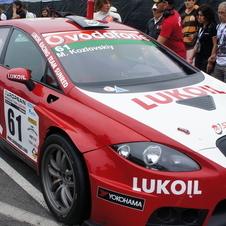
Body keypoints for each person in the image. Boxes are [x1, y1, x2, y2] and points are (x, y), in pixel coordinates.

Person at [189, 4, 217, 74]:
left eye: (201, 15)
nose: (199, 17)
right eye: (198, 15)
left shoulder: (212, 27)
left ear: (207, 16)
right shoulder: (201, 27)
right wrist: (191, 58)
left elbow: (215, 45)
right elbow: (197, 43)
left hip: (206, 59)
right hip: (198, 57)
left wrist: (210, 62)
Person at [208, 2, 226, 81]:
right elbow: (216, 44)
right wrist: (214, 55)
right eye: (218, 12)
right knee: (218, 86)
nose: (220, 15)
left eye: (222, 13)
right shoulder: (219, 26)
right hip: (218, 62)